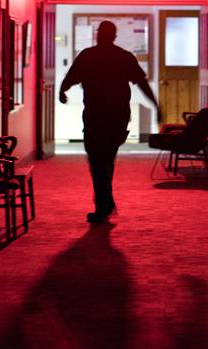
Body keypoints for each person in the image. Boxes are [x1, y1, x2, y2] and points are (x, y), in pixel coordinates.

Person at [59, 20, 159, 223]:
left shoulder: (88, 56)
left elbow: (70, 78)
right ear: (114, 36)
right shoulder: (124, 57)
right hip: (117, 116)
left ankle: (103, 203)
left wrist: (62, 90)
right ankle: (105, 201)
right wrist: (156, 105)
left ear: (99, 35)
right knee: (106, 159)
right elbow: (142, 84)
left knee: (98, 161)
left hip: (96, 115)